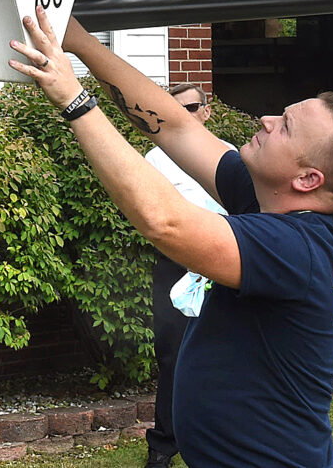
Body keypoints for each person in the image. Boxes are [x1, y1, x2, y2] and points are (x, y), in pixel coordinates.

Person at [9, 8, 333, 468]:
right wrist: (78, 41)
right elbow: (175, 123)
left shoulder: (297, 249)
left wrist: (73, 99)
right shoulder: (267, 200)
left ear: (307, 179)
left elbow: (165, 221)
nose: (264, 119)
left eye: (285, 126)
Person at [144, 83, 230, 468]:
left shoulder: (229, 156)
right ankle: (163, 447)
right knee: (174, 357)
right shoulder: (155, 160)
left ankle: (221, 440)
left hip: (225, 262)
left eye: (192, 107)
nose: (186, 115)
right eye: (176, 110)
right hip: (175, 266)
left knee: (227, 354)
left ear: (207, 111)